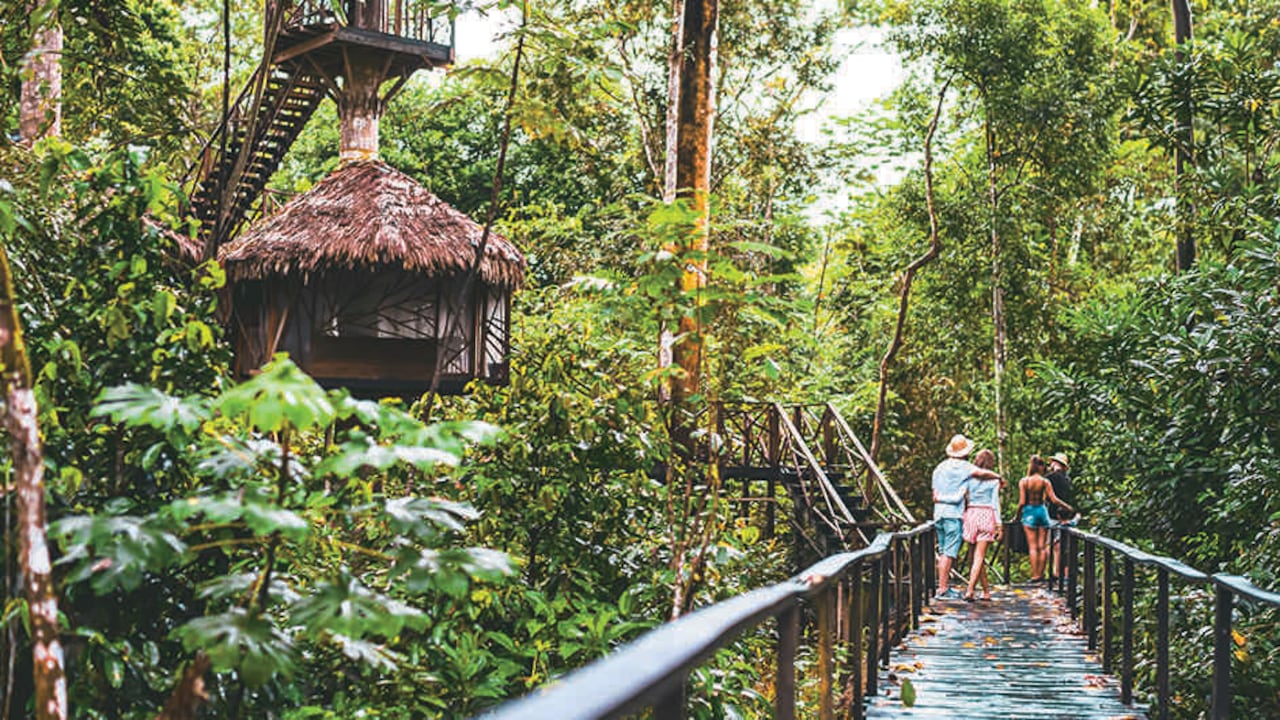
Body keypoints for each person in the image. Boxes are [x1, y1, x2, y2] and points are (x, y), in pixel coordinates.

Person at [932, 434, 1001, 599]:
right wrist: (998, 477)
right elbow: (983, 474)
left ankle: (945, 587)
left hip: (939, 513)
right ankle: (944, 589)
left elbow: (935, 494)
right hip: (955, 514)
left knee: (943, 551)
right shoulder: (966, 468)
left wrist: (941, 499)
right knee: (950, 552)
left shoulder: (939, 468)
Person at [1016, 455, 1073, 582]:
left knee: (1033, 546)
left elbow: (1021, 502)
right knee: (1042, 546)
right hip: (1042, 511)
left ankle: (1035, 575)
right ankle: (1041, 574)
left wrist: (1017, 515)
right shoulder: (1044, 481)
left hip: (1029, 512)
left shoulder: (1024, 481)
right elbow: (1053, 499)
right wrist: (1067, 506)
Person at [962, 449, 1002, 601]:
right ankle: (972, 590)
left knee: (976, 557)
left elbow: (964, 497)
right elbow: (995, 503)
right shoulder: (993, 481)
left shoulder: (968, 479)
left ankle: (982, 591)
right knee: (979, 556)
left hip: (971, 513)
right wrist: (999, 524)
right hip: (986, 514)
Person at [1046, 452, 1076, 576]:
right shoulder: (1067, 480)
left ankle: (1055, 572)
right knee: (1062, 545)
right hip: (1065, 515)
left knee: (1052, 544)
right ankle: (1061, 572)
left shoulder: (1050, 478)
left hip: (1052, 514)